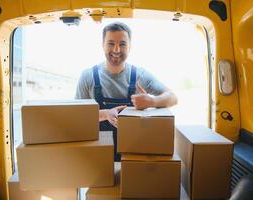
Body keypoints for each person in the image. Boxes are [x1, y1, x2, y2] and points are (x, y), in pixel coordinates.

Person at [75, 22, 177, 161]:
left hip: (133, 159)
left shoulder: (140, 75)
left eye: (122, 44)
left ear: (130, 47)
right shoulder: (87, 76)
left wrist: (151, 101)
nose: (116, 49)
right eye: (111, 43)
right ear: (102, 45)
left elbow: (173, 97)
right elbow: (77, 117)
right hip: (98, 159)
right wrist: (105, 114)